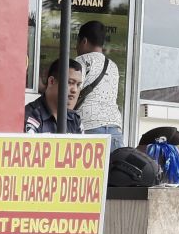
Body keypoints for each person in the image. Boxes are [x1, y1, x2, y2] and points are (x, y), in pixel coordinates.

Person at [75, 21, 124, 150]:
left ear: (84, 41)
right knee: (113, 170)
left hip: (89, 126)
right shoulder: (113, 66)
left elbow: (71, 92)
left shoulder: (81, 61)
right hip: (115, 130)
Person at [25, 58, 84, 134]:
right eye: (70, 82)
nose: (75, 90)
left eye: (78, 85)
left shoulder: (75, 120)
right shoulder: (31, 116)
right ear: (51, 81)